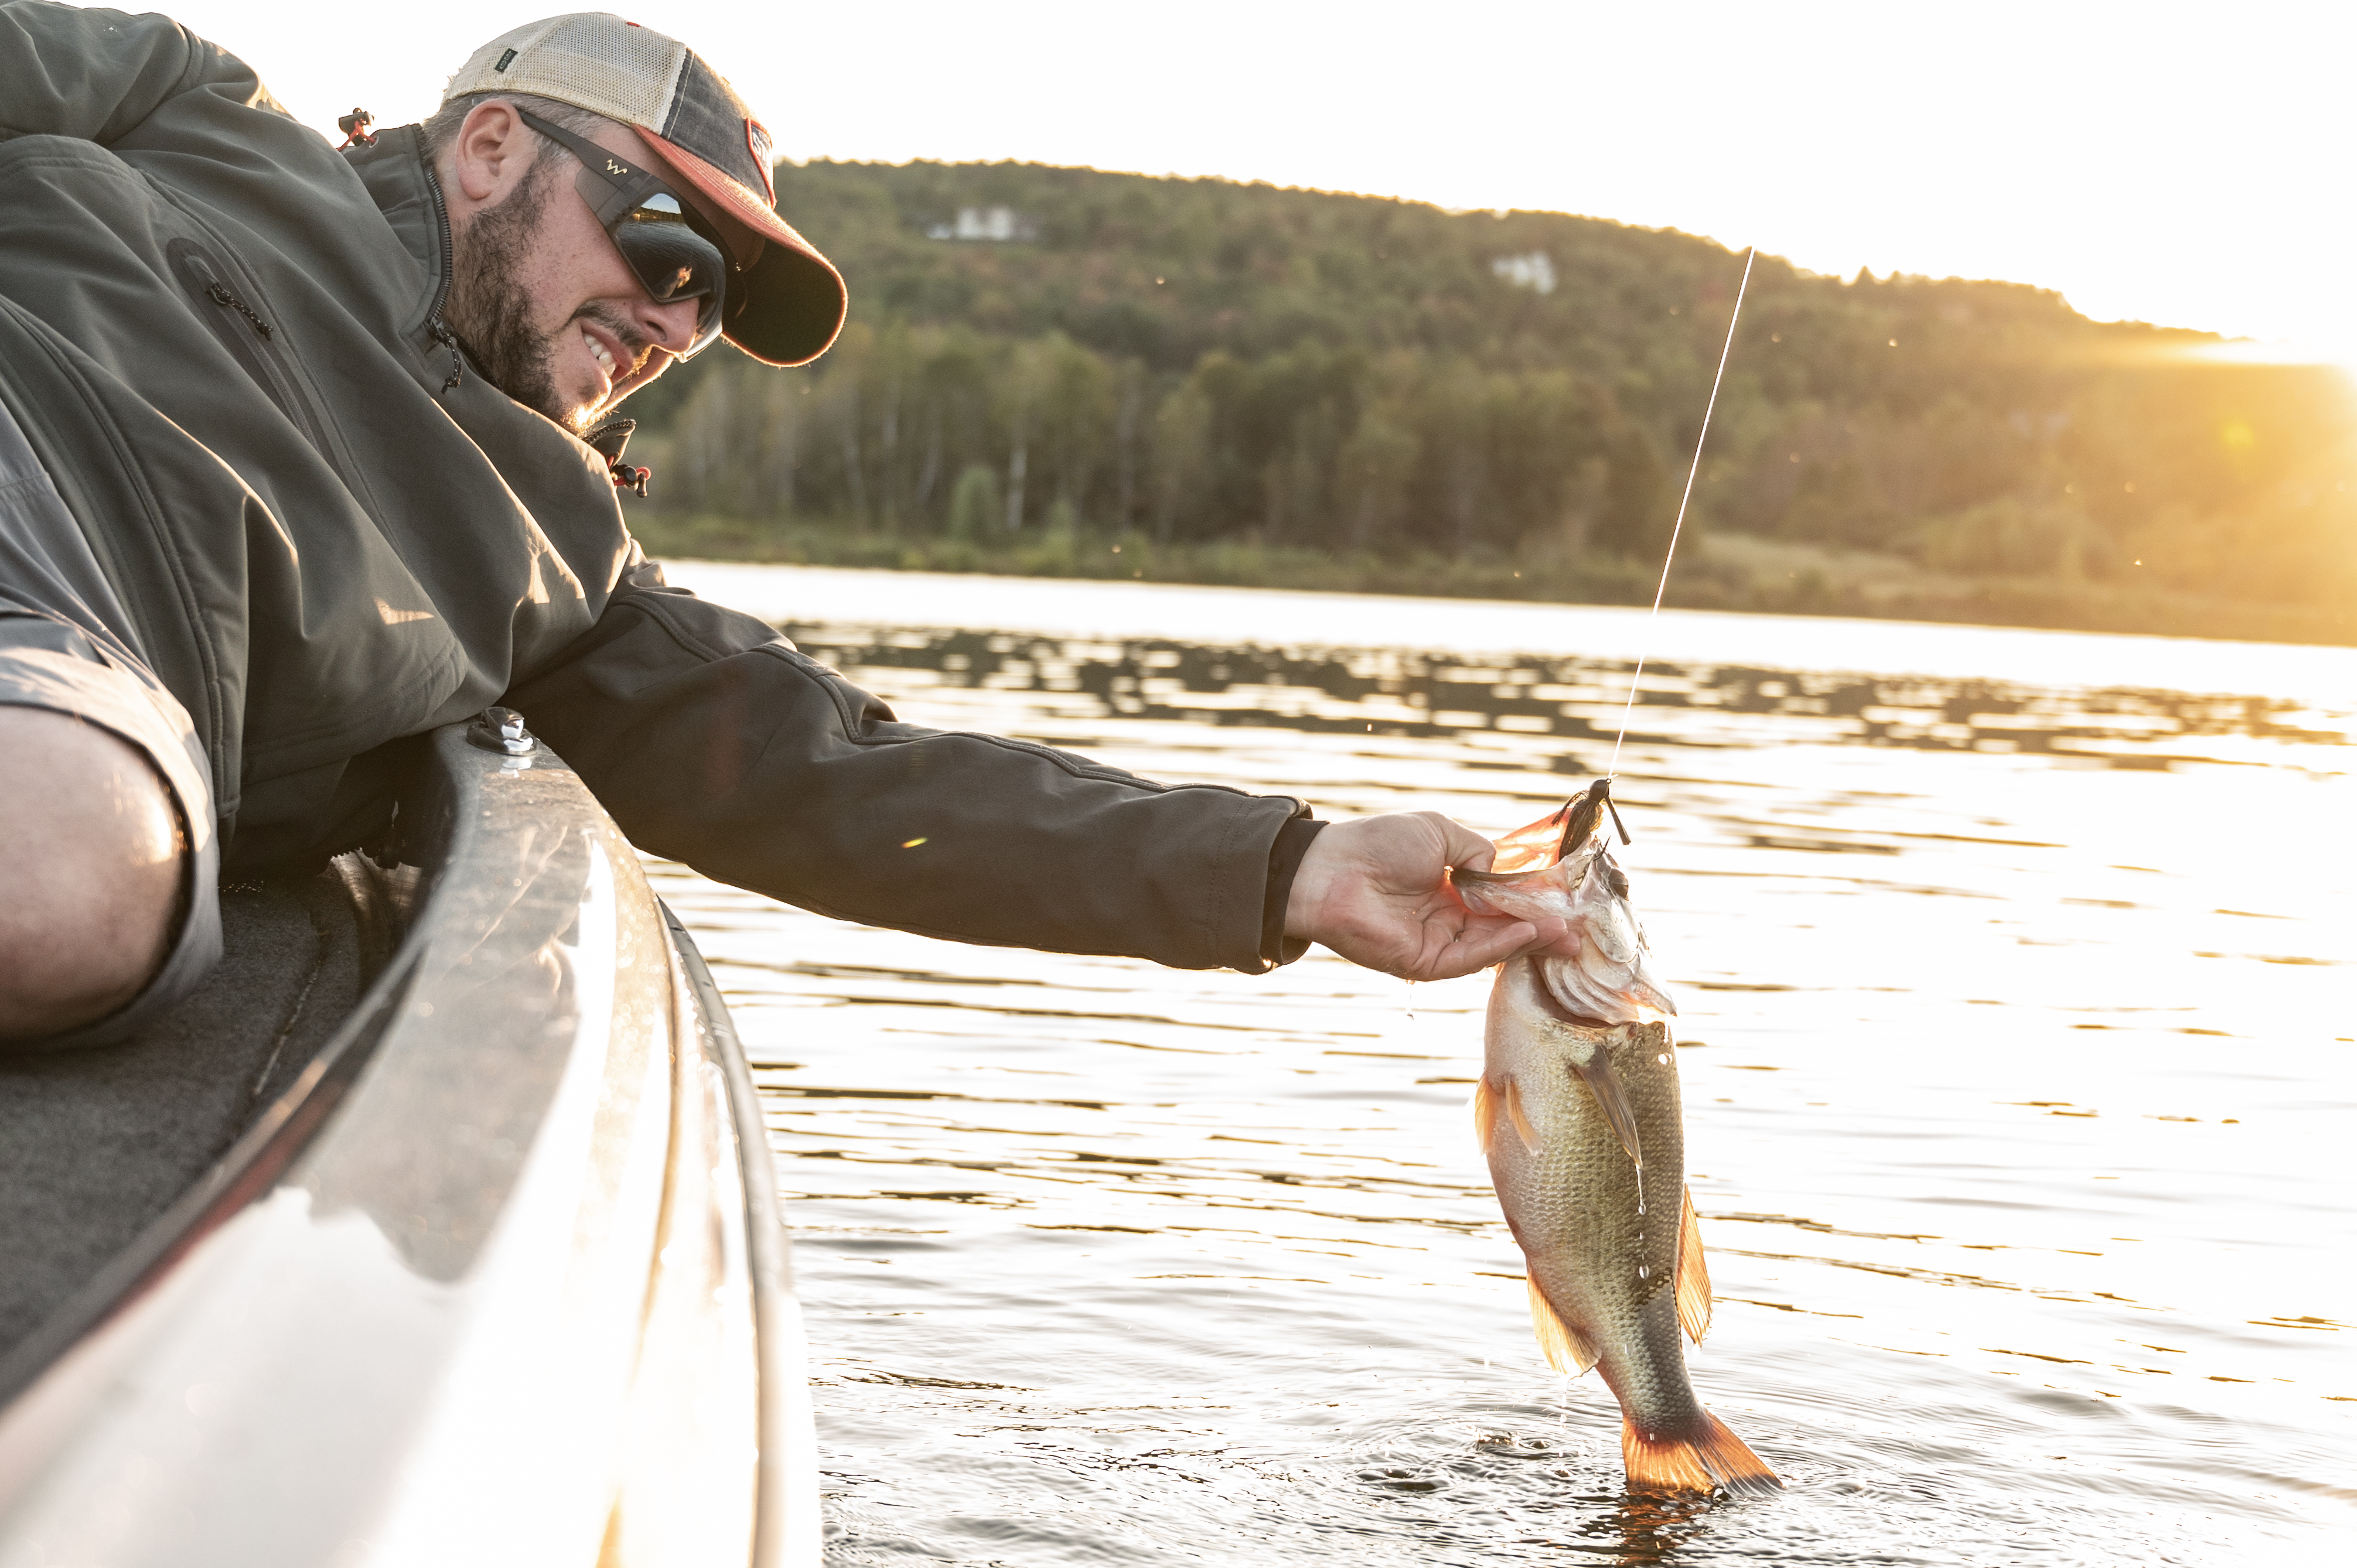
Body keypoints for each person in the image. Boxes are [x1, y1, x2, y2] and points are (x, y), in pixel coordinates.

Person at [0, 6, 1570, 1049]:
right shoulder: (195, 111)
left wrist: (1292, 870)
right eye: (667, 243)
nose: (677, 323)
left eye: (717, 309)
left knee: (77, 882)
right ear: (489, 153)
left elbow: (853, 784)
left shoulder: (566, 580)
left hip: (68, 674)